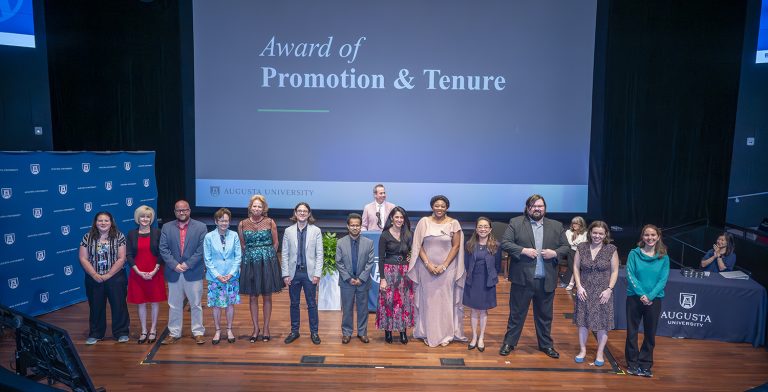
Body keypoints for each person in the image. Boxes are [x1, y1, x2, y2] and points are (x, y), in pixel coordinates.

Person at [499, 194, 569, 358]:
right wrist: (522, 250)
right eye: (534, 206)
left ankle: (546, 345)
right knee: (516, 314)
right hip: (522, 280)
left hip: (546, 280)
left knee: (545, 316)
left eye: (540, 206)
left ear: (545, 208)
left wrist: (555, 253)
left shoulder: (557, 226)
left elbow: (566, 247)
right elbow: (506, 243)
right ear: (528, 208)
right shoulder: (516, 222)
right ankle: (509, 343)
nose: (537, 209)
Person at [408, 195, 466, 347]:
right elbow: (418, 244)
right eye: (436, 205)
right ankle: (426, 332)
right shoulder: (424, 222)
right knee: (428, 301)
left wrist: (444, 265)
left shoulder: (454, 223)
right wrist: (428, 264)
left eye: (442, 206)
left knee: (445, 302)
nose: (439, 208)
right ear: (432, 207)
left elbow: (456, 246)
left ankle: (446, 334)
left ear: (446, 207)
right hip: (426, 269)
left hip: (447, 270)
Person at [159, 200, 208, 345]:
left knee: (196, 304)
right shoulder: (167, 227)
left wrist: (187, 264)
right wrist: (174, 265)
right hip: (174, 272)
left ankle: (198, 332)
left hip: (193, 271)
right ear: (175, 212)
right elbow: (163, 248)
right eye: (179, 210)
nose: (182, 213)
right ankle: (174, 333)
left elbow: (201, 249)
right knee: (174, 305)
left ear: (189, 210)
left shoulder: (201, 227)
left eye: (185, 210)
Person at [624, 224, 670, 378]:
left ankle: (645, 364)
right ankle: (632, 363)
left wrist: (649, 297)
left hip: (654, 300)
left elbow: (663, 280)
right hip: (634, 298)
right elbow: (630, 275)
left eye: (653, 235)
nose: (650, 238)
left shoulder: (664, 257)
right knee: (632, 333)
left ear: (658, 237)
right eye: (646, 235)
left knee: (650, 334)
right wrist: (642, 294)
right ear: (642, 237)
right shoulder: (634, 254)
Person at [79, 211, 130, 345]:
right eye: (100, 220)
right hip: (94, 278)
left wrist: (108, 275)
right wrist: (95, 275)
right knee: (96, 306)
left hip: (115, 277)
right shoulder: (87, 237)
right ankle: (96, 333)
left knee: (119, 306)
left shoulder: (119, 236)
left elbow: (121, 258)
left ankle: (121, 332)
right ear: (95, 222)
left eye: (106, 220)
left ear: (111, 222)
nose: (103, 223)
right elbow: (83, 258)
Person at [572, 221, 619, 366]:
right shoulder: (582, 247)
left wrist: (609, 290)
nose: (597, 236)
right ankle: (582, 350)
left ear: (605, 234)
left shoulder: (611, 249)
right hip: (584, 291)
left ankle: (600, 353)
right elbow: (575, 266)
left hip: (603, 293)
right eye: (595, 232)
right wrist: (578, 286)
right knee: (583, 322)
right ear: (590, 232)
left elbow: (615, 271)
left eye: (600, 233)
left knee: (602, 324)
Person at [238, 195, 283, 342]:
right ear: (250, 208)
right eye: (254, 206)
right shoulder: (242, 224)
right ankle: (255, 328)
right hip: (250, 262)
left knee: (267, 296)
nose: (257, 208)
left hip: (267, 262)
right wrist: (253, 255)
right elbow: (243, 245)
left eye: (260, 206)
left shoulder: (270, 222)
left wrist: (267, 256)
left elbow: (276, 244)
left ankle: (266, 328)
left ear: (264, 208)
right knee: (252, 296)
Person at [281, 202, 323, 345]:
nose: (302, 213)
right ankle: (294, 331)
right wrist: (285, 274)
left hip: (309, 274)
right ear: (295, 212)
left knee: (311, 304)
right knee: (294, 304)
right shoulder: (288, 231)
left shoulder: (316, 231)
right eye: (300, 211)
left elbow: (319, 254)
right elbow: (285, 254)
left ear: (309, 213)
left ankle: (314, 332)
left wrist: (317, 274)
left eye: (305, 211)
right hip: (294, 273)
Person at [126, 205, 165, 344]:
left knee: (155, 302)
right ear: (138, 218)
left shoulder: (158, 232)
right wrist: (139, 272)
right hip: (137, 273)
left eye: (148, 217)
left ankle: (153, 329)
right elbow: (128, 255)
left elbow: (162, 253)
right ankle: (143, 330)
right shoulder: (131, 234)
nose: (145, 219)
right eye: (142, 216)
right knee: (140, 302)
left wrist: (154, 271)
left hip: (155, 271)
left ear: (151, 218)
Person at [376, 206, 415, 344]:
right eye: (396, 217)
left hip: (405, 273)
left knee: (403, 302)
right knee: (389, 302)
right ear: (392, 218)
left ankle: (403, 331)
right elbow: (380, 258)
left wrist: (409, 257)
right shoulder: (385, 235)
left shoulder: (408, 234)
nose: (399, 219)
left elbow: (413, 251)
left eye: (401, 217)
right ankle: (388, 330)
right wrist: (382, 279)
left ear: (404, 220)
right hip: (389, 271)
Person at [336, 213, 375, 344]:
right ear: (348, 226)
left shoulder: (369, 243)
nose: (355, 228)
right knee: (347, 309)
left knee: (363, 308)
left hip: (362, 282)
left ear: (361, 227)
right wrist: (348, 278)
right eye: (352, 225)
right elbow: (339, 262)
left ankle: (362, 332)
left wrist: (361, 278)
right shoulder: (340, 242)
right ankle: (346, 333)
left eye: (357, 225)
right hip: (347, 282)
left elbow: (370, 263)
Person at [204, 208, 241, 344]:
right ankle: (218, 330)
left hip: (232, 276)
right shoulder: (209, 237)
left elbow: (238, 257)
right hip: (215, 277)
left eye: (226, 220)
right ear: (216, 221)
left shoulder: (234, 235)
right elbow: (207, 259)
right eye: (221, 220)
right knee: (216, 305)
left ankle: (229, 329)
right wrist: (218, 275)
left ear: (229, 221)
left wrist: (231, 273)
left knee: (230, 304)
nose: (224, 223)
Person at [462, 217, 500, 353]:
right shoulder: (469, 244)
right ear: (476, 229)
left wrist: (492, 277)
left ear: (490, 229)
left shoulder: (495, 245)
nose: (483, 229)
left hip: (487, 282)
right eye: (480, 227)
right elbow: (466, 264)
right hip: (473, 280)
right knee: (473, 310)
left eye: (485, 227)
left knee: (483, 310)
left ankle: (481, 338)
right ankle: (473, 337)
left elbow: (498, 266)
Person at [563, 216, 588, 290]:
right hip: (570, 251)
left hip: (581, 252)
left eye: (577, 223)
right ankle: (576, 283)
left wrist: (575, 244)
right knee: (574, 266)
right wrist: (575, 243)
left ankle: (572, 283)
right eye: (573, 223)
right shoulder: (568, 232)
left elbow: (584, 244)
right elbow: (567, 243)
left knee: (576, 265)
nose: (574, 225)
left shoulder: (585, 233)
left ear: (581, 225)